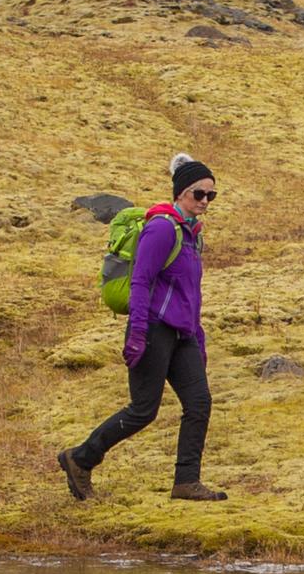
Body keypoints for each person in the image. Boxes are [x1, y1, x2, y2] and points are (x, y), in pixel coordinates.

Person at [61, 156, 225, 503]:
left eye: (211, 195)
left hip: (183, 335)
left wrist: (198, 336)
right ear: (182, 192)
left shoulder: (192, 234)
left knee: (199, 403)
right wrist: (137, 333)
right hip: (153, 329)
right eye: (199, 193)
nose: (205, 201)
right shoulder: (162, 228)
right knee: (143, 410)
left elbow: (190, 293)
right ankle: (80, 458)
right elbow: (140, 282)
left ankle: (186, 482)